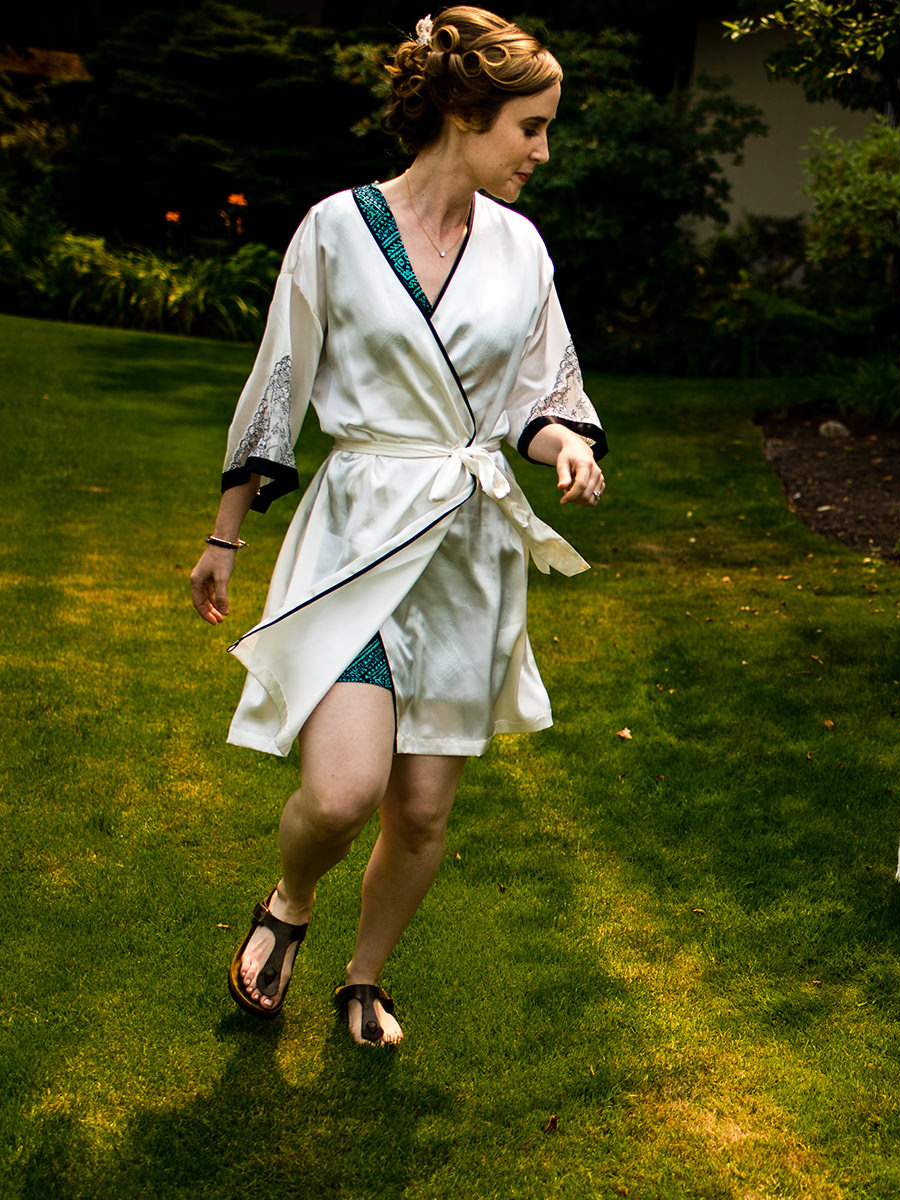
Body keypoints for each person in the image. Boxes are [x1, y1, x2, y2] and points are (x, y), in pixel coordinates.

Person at [187, 6, 605, 1046]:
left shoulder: (521, 249)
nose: (544, 151)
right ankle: (290, 903)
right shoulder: (336, 228)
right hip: (358, 533)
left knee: (420, 810)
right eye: (531, 127)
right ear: (465, 113)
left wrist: (563, 445)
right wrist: (228, 532)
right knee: (339, 794)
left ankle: (363, 976)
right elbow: (279, 381)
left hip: (467, 550)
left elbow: (543, 389)